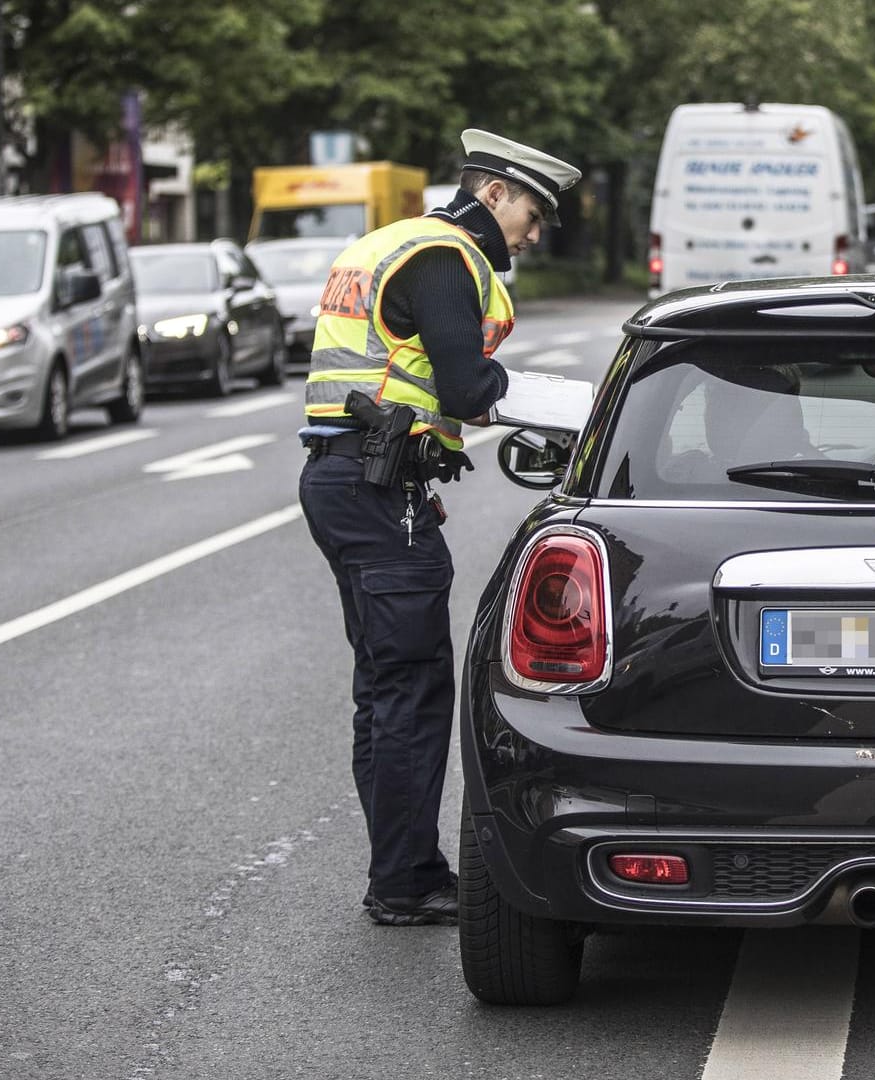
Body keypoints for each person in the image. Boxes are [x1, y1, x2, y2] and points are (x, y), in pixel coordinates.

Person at [298, 129, 580, 926]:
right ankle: (406, 882)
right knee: (414, 689)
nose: (535, 231)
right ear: (493, 192)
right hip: (378, 488)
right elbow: (463, 386)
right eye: (532, 211)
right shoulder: (446, 257)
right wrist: (571, 411)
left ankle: (400, 869)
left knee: (384, 688)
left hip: (347, 479)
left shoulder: (386, 243)